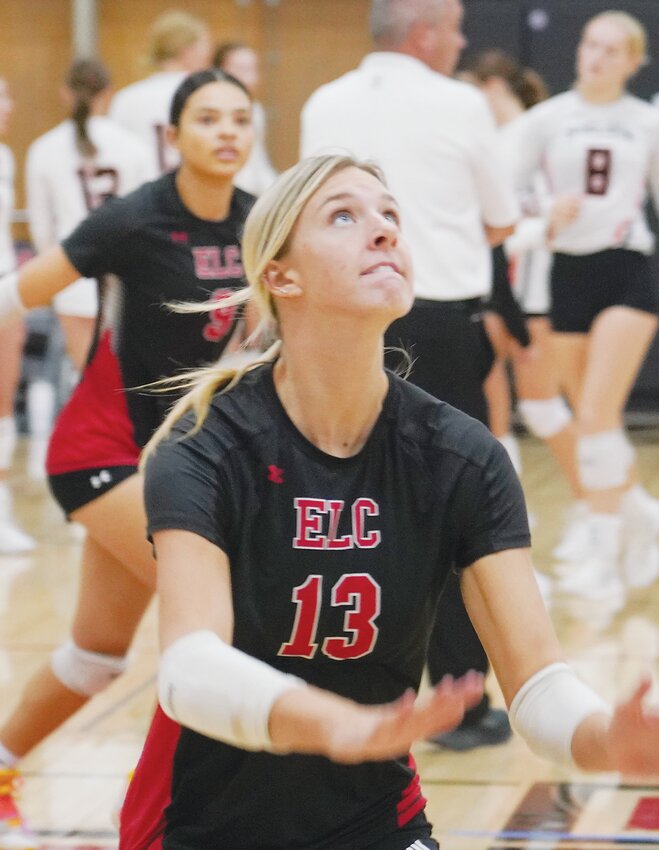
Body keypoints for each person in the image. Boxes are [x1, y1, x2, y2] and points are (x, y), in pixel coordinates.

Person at [118, 153, 659, 850]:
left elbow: (536, 686)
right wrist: (333, 723)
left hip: (374, 821)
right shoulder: (206, 443)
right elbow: (188, 668)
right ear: (280, 275)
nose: (382, 231)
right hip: (200, 824)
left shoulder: (460, 456)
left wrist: (605, 740)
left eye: (390, 216)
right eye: (344, 216)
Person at [0, 69, 255, 846]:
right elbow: (17, 294)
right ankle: (158, 824)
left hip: (179, 461)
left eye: (240, 119)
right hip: (100, 453)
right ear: (172, 136)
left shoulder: (260, 222)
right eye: (207, 118)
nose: (226, 132)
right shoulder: (133, 219)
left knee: (94, 658)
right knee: (227, 624)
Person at [300, 0, 519, 750]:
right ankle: (464, 700)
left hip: (334, 322)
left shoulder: (322, 101)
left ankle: (342, 676)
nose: (461, 43)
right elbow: (500, 218)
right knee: (453, 506)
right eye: (455, 29)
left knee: (341, 499)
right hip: (435, 319)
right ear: (424, 33)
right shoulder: (459, 102)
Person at [508, 11, 659, 605]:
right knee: (593, 418)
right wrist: (546, 215)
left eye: (611, 49)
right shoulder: (548, 119)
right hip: (566, 274)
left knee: (595, 412)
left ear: (632, 61)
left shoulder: (644, 122)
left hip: (626, 269)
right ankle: (641, 519)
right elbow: (508, 191)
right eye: (590, 44)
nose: (595, 56)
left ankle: (600, 548)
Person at [463, 51, 585, 563]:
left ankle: (602, 507)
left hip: (546, 298)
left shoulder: (548, 139)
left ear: (492, 87)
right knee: (493, 410)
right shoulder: (490, 148)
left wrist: (541, 229)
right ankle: (512, 515)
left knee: (545, 406)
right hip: (498, 294)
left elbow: (564, 223)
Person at [26, 58, 153, 373]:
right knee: (126, 376)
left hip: (71, 273)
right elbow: (149, 217)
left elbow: (41, 229)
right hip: (129, 275)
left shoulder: (44, 148)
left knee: (87, 377)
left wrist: (56, 269)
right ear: (108, 93)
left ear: (65, 94)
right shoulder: (134, 147)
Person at [109, 10, 212, 175]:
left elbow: (115, 156)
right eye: (205, 45)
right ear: (187, 51)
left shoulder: (126, 99)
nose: (209, 54)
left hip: (139, 196)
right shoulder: (207, 94)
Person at [0, 75, 35, 555]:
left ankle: (1, 512)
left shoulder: (5, 157)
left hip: (5, 290)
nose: (7, 104)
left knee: (2, 406)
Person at [213, 41, 278, 195]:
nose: (250, 78)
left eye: (253, 69)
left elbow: (258, 162)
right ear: (220, 71)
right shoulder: (209, 112)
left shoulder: (255, 110)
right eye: (241, 69)